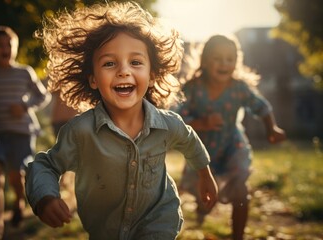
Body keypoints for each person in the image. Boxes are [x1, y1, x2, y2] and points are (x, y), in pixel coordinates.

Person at [25, 2, 218, 239]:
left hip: (159, 222)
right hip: (105, 230)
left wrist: (205, 176)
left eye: (135, 62)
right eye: (109, 63)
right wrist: (45, 197)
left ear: (151, 74)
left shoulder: (168, 124)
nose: (123, 71)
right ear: (93, 79)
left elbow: (190, 142)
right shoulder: (81, 132)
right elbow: (46, 165)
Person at [177, 34, 286, 240]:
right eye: (217, 58)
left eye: (229, 59)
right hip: (201, 152)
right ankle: (203, 209)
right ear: (205, 61)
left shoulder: (239, 88)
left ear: (236, 62)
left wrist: (272, 128)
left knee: (241, 191)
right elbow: (177, 115)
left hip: (232, 147)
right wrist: (202, 123)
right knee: (205, 198)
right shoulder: (193, 88)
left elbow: (261, 107)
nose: (224, 64)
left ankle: (238, 236)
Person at [0, 26, 51, 240]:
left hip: (21, 133)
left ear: (15, 48)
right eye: (0, 45)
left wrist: (24, 107)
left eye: (9, 45)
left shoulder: (24, 72)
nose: (5, 49)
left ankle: (18, 201)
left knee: (16, 175)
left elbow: (43, 97)